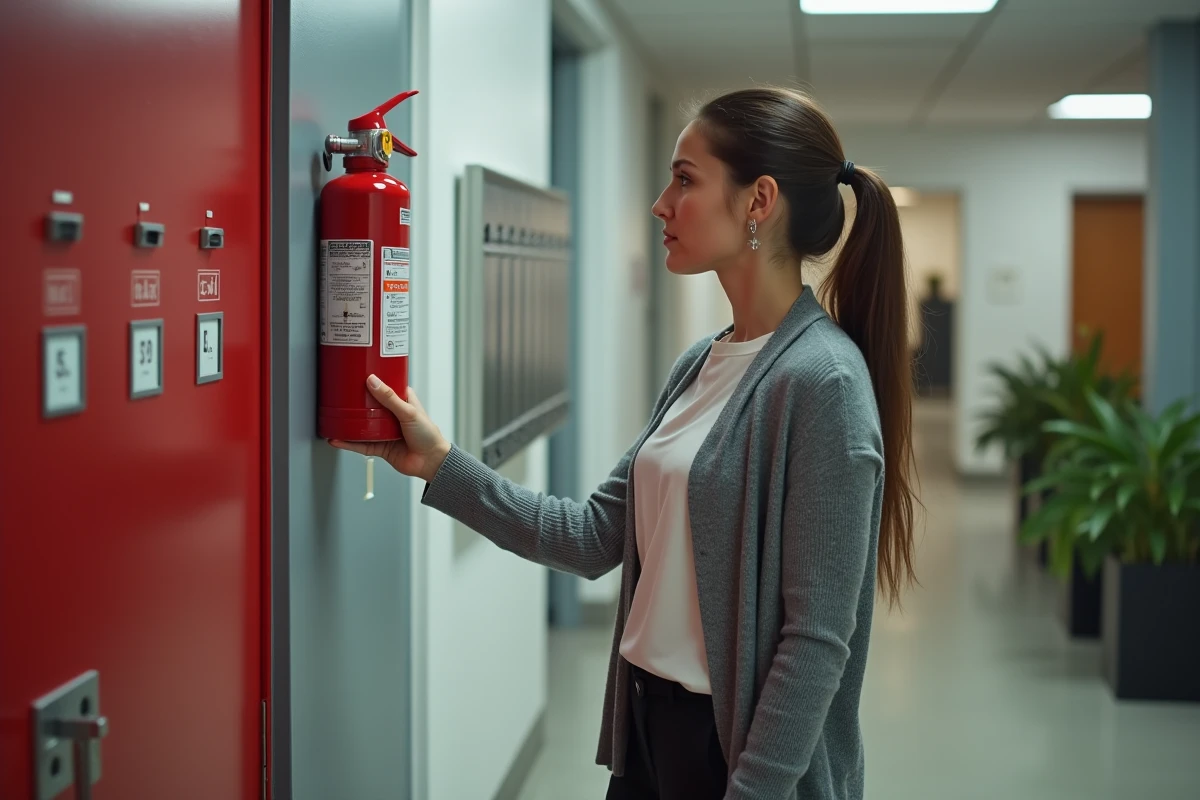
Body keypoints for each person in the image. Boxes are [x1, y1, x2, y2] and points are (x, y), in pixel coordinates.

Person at [331, 86, 918, 800]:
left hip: (737, 758)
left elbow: (816, 641)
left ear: (758, 201)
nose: (660, 205)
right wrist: (440, 463)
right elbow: (590, 538)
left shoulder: (824, 384)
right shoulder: (701, 363)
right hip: (648, 736)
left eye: (685, 180)